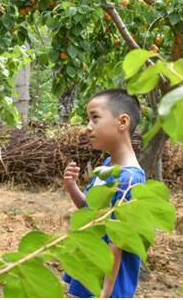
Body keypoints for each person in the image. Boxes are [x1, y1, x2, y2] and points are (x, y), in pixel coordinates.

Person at [62, 89, 146, 298]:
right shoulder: (108, 166)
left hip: (105, 284)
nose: (88, 127)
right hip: (89, 272)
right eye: (88, 119)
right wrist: (72, 186)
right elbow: (89, 210)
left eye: (95, 118)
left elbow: (116, 243)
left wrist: (105, 292)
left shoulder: (129, 180)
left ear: (122, 122)